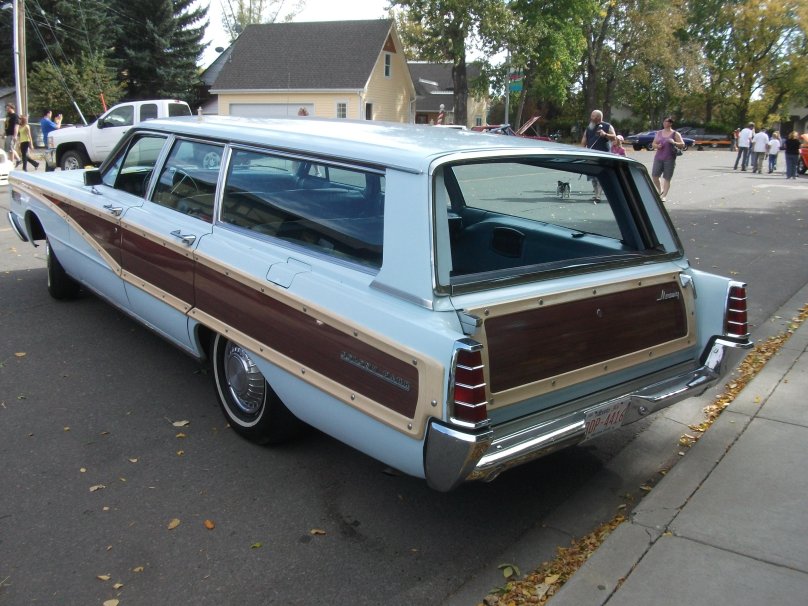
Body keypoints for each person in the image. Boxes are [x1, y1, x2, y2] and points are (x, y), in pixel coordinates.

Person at [580, 109, 616, 203]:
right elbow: (584, 139)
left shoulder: (607, 126)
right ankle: (595, 194)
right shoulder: (589, 127)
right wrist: (582, 149)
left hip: (602, 155)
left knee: (600, 176)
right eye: (591, 116)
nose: (591, 118)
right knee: (593, 177)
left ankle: (598, 196)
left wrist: (605, 134)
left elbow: (614, 137)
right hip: (591, 155)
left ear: (599, 117)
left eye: (593, 116)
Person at [651, 117, 685, 202]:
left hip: (669, 158)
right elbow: (653, 143)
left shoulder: (675, 134)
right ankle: (660, 190)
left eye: (666, 122)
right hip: (658, 157)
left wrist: (674, 142)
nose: (664, 123)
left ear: (670, 123)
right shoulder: (659, 133)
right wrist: (657, 146)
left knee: (667, 178)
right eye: (664, 121)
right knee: (655, 176)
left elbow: (682, 145)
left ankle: (664, 196)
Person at [4, 102, 21, 167]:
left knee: (11, 149)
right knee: (9, 149)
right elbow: (7, 125)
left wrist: (15, 135)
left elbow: (16, 126)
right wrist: (4, 133)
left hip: (12, 134)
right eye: (6, 109)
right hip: (8, 134)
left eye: (8, 108)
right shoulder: (8, 116)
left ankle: (11, 163)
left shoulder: (15, 116)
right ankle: (18, 160)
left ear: (12, 108)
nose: (7, 110)